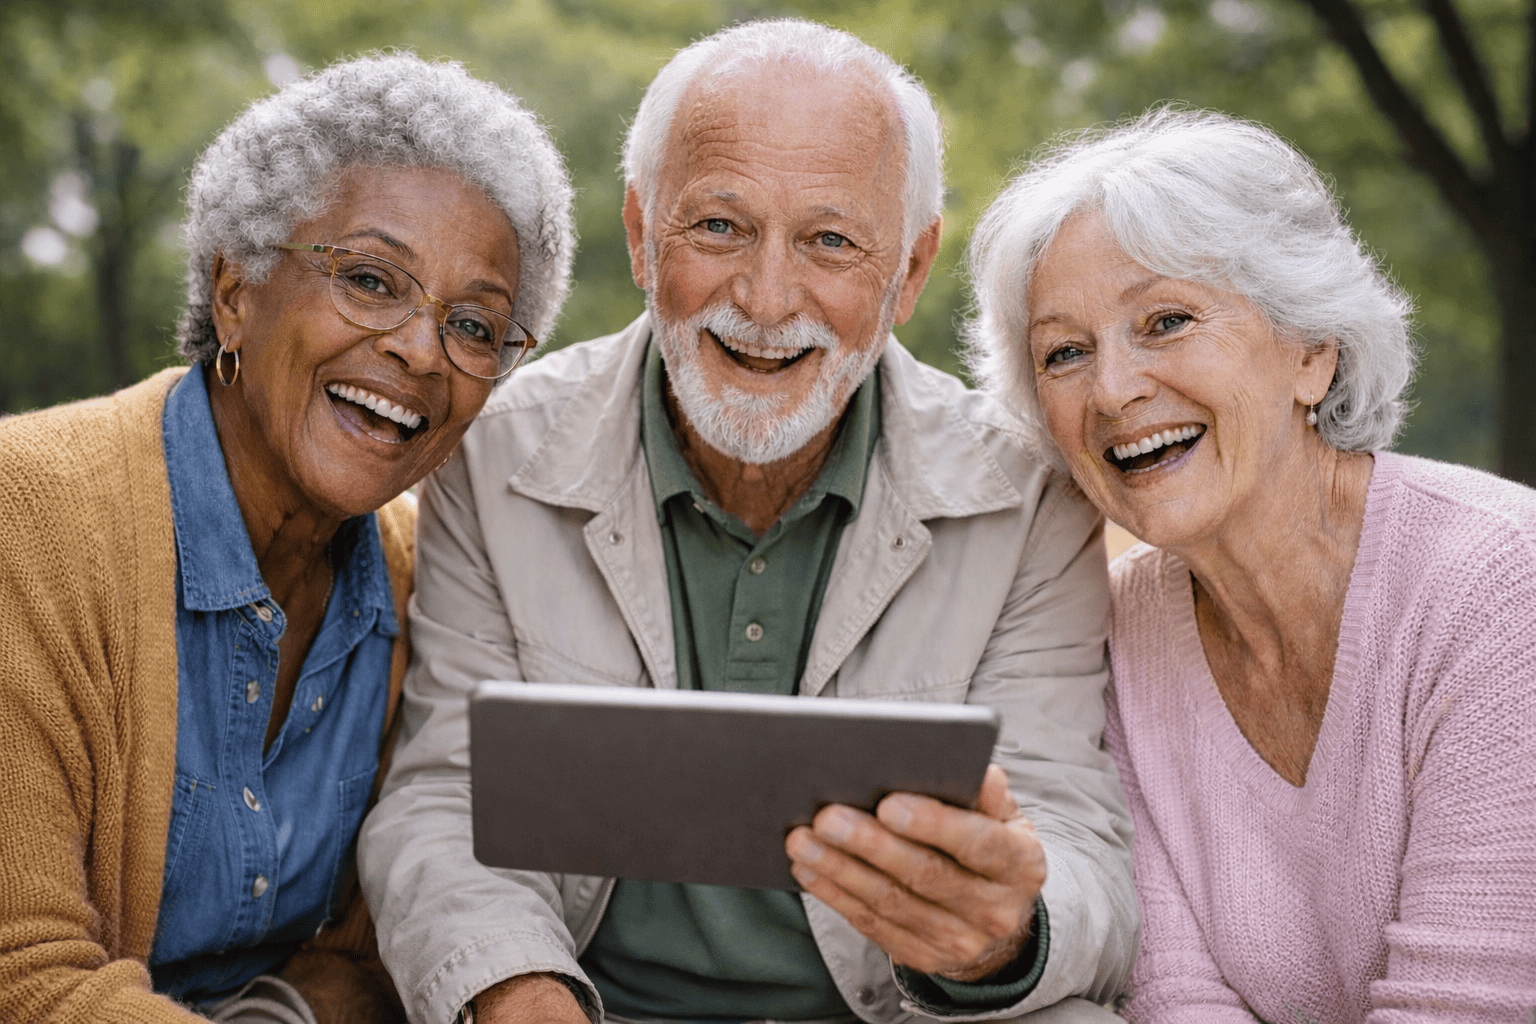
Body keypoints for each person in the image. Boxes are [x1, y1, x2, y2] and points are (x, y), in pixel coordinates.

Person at [359, 19, 1136, 1024]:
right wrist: (518, 991)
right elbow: (442, 799)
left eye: (830, 242)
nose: (766, 300)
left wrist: (1004, 936)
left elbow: (1073, 838)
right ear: (641, 235)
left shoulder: (1027, 494)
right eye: (720, 226)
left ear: (908, 273)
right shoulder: (496, 451)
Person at [0, 53, 574, 1024]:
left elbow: (379, 954)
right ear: (235, 289)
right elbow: (24, 981)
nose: (421, 350)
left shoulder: (424, 574)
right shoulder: (26, 519)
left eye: (476, 326)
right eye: (370, 279)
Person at [964, 106, 1536, 1022]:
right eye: (1064, 353)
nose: (1112, 390)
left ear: (1313, 351)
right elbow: (1175, 995)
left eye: (1167, 321)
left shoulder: (1503, 586)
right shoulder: (1110, 633)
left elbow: (1472, 1008)